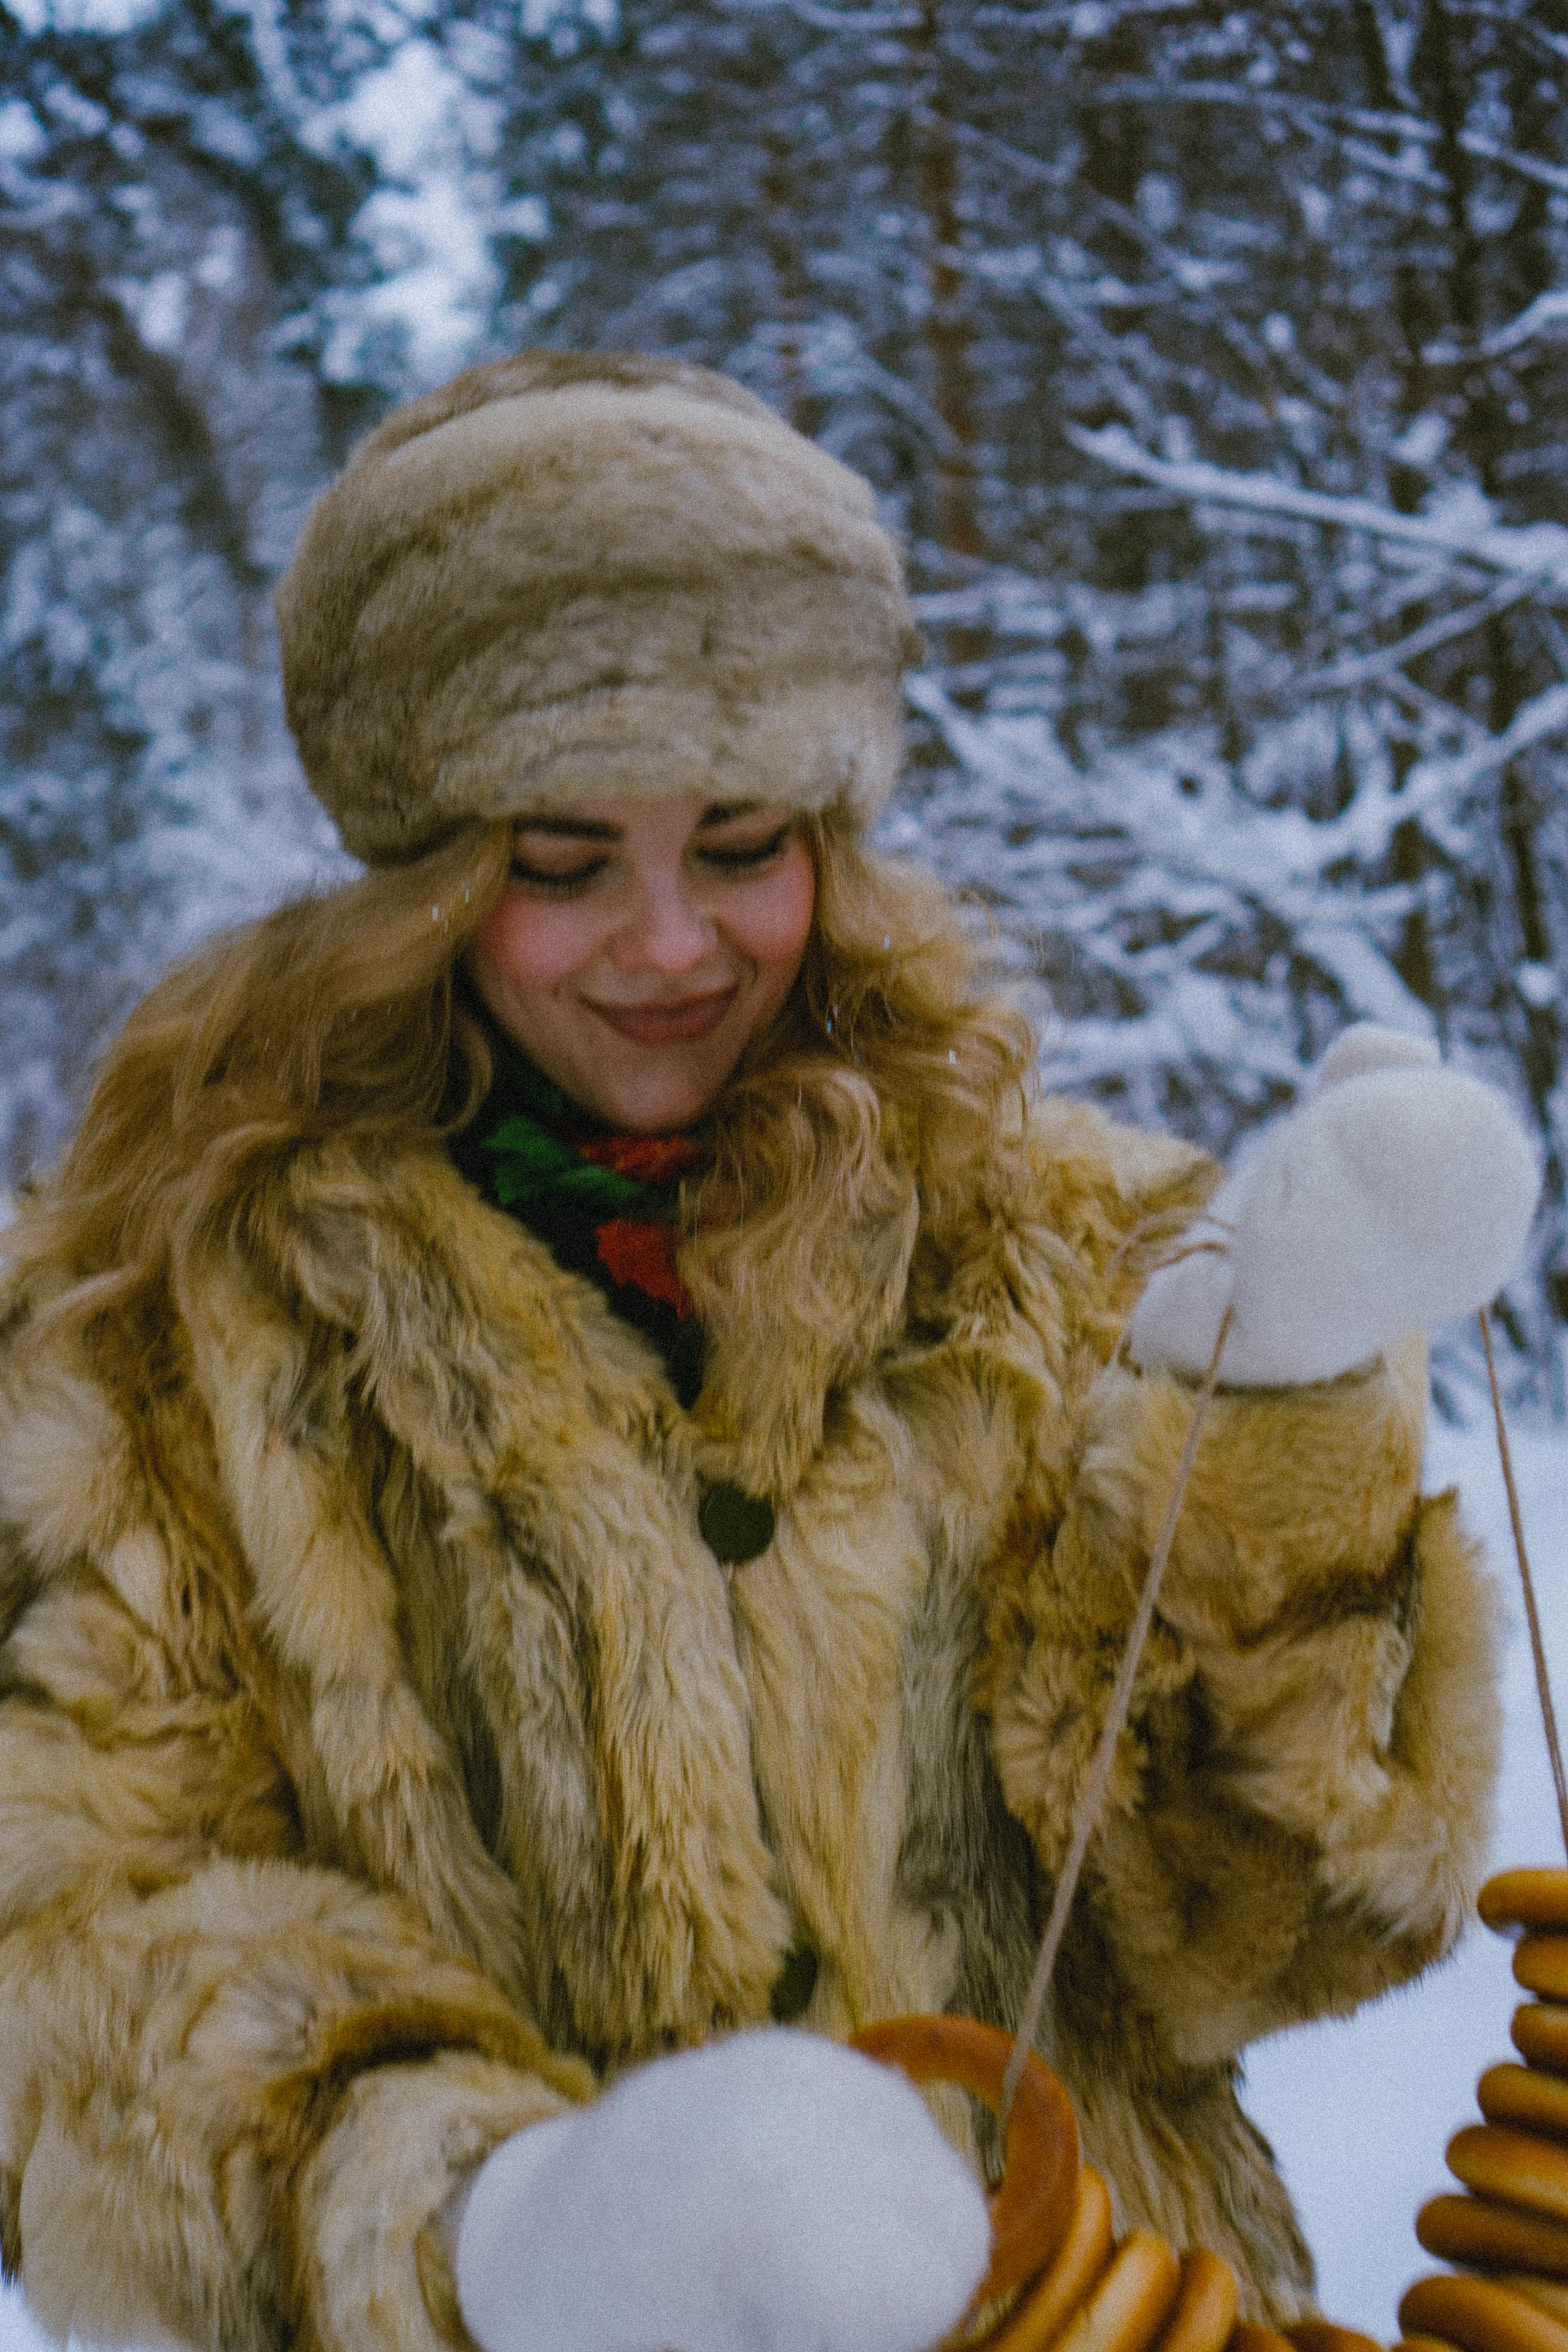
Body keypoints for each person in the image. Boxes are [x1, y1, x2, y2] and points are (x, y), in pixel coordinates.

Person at [0, 351, 1537, 2352]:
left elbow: (1269, 1939)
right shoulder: (155, 1346)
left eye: (739, 845)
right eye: (561, 860)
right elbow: (77, 1952)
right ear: (425, 871)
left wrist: (1280, 1426)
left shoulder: (1072, 1254)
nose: (669, 943)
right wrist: (497, 2226)